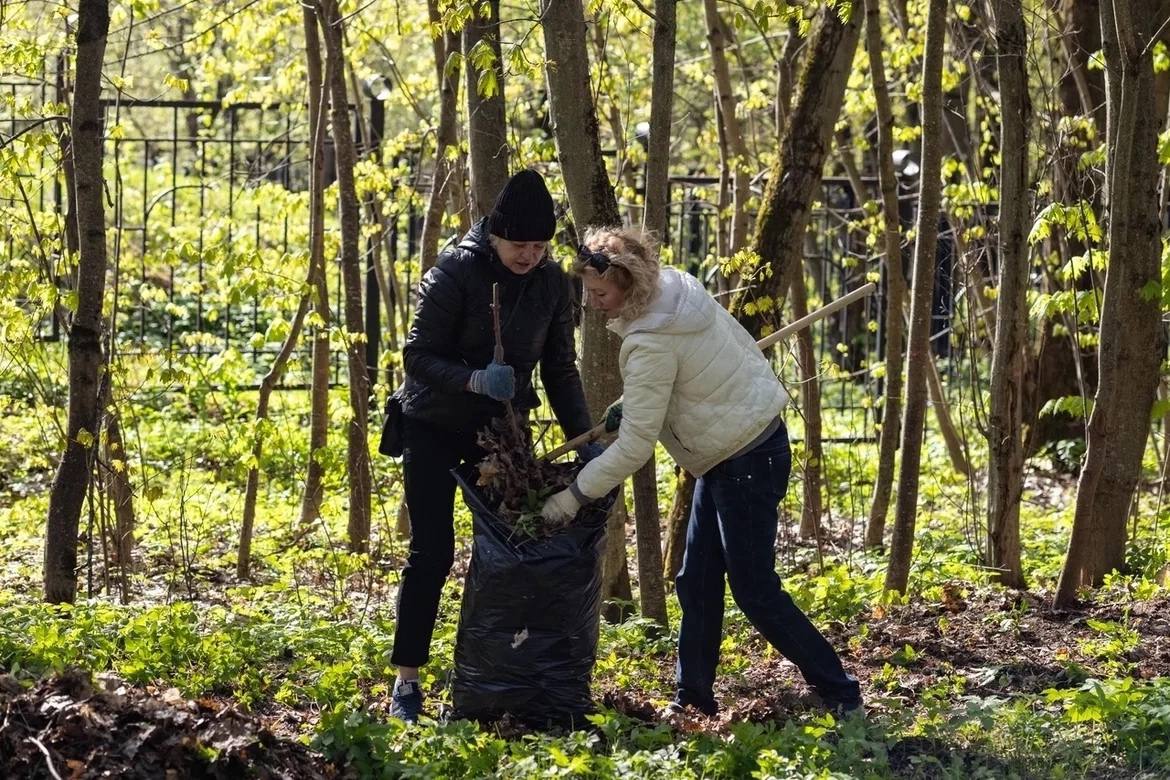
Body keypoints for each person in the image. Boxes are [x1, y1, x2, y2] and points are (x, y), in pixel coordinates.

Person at [541, 225, 863, 717]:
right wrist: (635, 402)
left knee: (754, 590)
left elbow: (634, 448)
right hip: (738, 447)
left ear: (630, 285)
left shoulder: (650, 342)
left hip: (744, 459)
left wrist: (572, 497)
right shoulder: (677, 290)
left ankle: (840, 692)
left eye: (600, 293)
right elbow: (691, 373)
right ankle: (692, 699)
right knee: (697, 580)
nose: (593, 303)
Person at [389, 169, 599, 722]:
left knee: (515, 551)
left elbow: (560, 369)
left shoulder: (551, 284)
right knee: (432, 552)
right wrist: (473, 379)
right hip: (432, 424)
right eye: (518, 245)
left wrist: (584, 440)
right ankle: (406, 682)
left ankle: (504, 677)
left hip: (501, 434)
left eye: (539, 246)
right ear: (496, 236)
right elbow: (416, 357)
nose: (529, 255)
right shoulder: (455, 271)